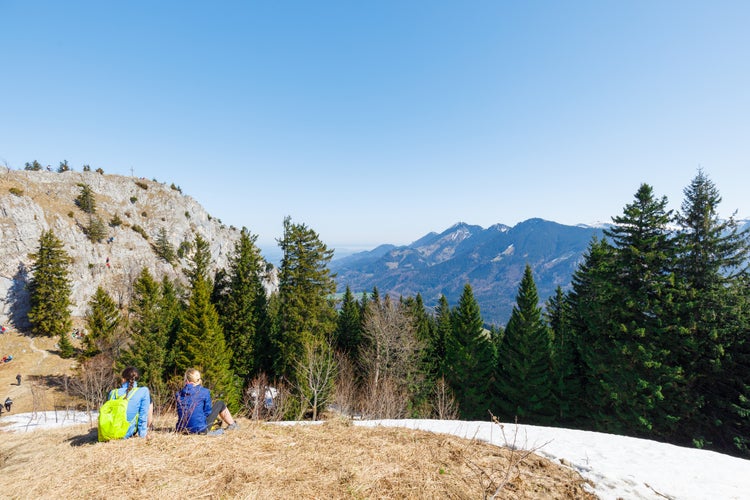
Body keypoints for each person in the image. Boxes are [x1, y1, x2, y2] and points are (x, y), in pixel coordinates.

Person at [175, 368, 238, 435]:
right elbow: (207, 412)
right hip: (200, 429)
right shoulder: (204, 391)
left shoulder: (178, 394)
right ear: (199, 379)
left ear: (186, 379)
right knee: (220, 403)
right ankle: (233, 425)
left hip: (181, 430)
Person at [108, 366, 153, 439]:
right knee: (149, 402)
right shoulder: (143, 391)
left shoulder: (113, 392)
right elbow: (143, 415)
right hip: (127, 433)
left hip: (111, 432)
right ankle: (149, 427)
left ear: (123, 379)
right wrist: (143, 434)